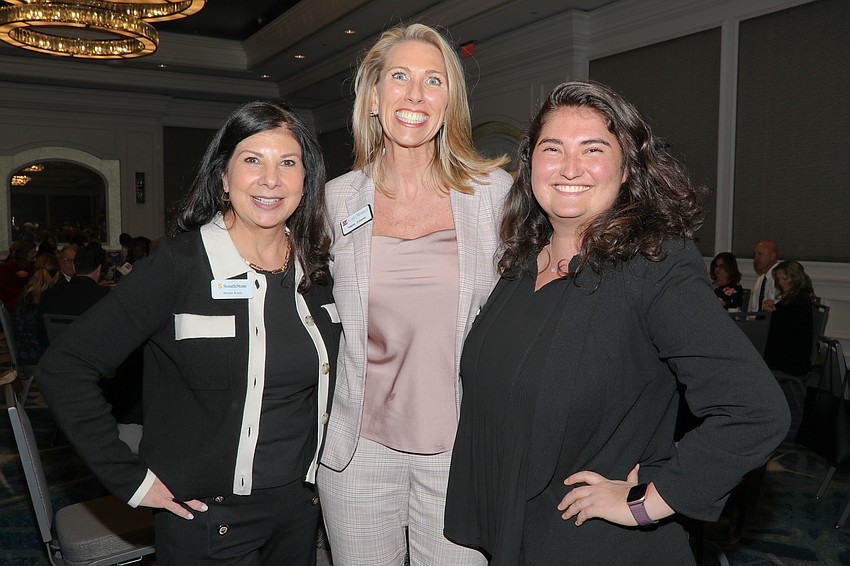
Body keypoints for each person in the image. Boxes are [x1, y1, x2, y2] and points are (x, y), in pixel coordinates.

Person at [443, 81, 790, 565]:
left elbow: (755, 410)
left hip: (594, 543)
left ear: (627, 168)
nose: (569, 168)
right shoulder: (521, 265)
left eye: (593, 149)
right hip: (515, 531)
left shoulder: (653, 264)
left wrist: (647, 503)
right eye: (552, 149)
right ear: (530, 167)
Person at [37, 100, 340, 565]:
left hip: (300, 509)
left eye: (288, 162)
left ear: (306, 179)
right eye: (252, 160)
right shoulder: (178, 267)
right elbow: (65, 367)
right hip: (206, 520)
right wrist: (131, 480)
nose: (270, 179)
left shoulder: (318, 273)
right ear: (223, 178)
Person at [318, 23, 511, 565]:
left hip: (461, 452)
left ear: (450, 103)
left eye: (434, 80)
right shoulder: (335, 201)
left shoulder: (493, 196)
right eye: (399, 77)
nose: (415, 95)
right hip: (359, 454)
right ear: (374, 97)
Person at [763, 260, 816, 376]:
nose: (781, 283)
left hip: (792, 359)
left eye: (784, 279)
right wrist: (772, 307)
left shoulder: (800, 300)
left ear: (796, 278)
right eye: (778, 280)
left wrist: (773, 312)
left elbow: (791, 328)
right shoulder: (794, 296)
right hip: (789, 353)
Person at [12, 253, 59, 364]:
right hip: (42, 358)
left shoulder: (26, 294)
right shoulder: (51, 298)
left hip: (23, 352)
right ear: (57, 275)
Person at [0, 239, 36, 311]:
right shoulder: (10, 266)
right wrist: (21, 294)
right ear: (24, 253)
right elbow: (2, 287)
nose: (35, 254)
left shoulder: (29, 266)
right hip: (13, 304)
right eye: (32, 252)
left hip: (22, 302)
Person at [748, 239, 779, 311]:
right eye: (755, 254)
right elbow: (754, 309)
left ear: (772, 256)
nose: (756, 257)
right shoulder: (760, 279)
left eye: (760, 254)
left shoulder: (779, 279)